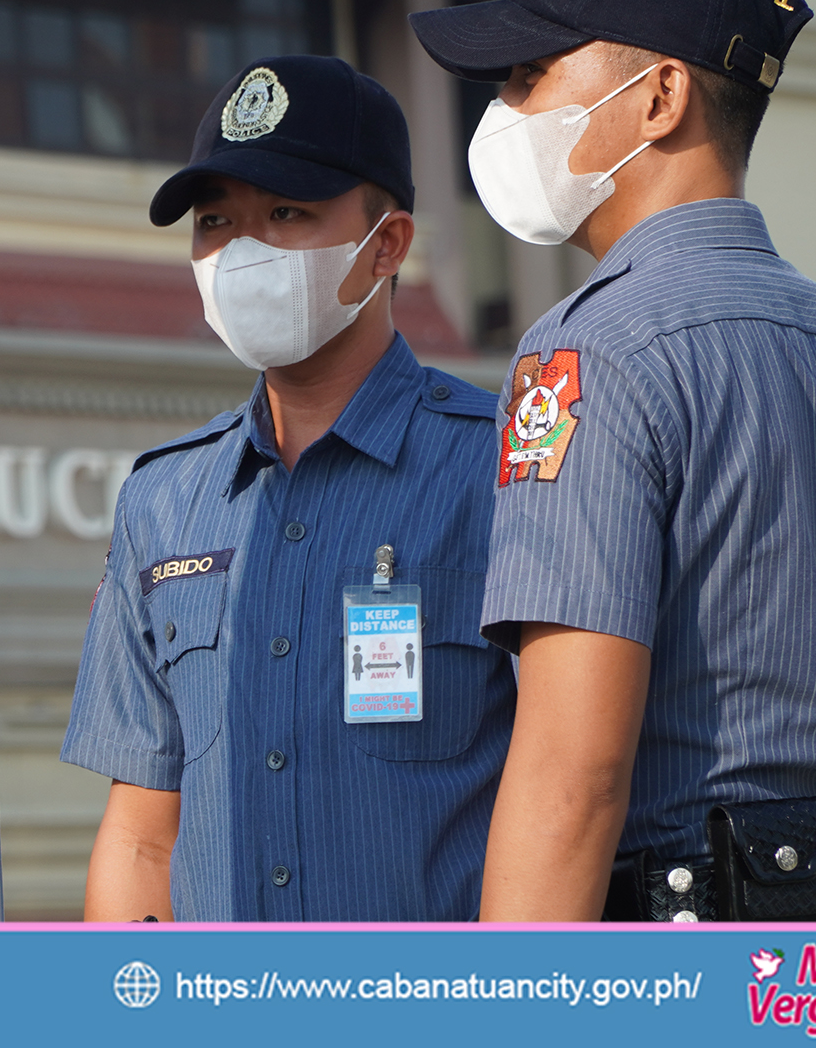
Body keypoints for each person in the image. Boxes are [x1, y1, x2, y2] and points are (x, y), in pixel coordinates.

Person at [411, 0, 816, 922]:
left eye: (532, 73)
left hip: (671, 970)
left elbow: (571, 781)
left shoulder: (586, 355)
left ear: (659, 96)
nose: (505, 109)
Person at [61, 55, 516, 921]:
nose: (240, 250)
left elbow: (573, 785)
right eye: (215, 220)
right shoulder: (164, 500)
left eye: (284, 213)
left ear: (386, 243)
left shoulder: (499, 473)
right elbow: (142, 833)